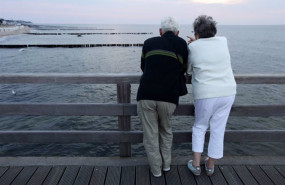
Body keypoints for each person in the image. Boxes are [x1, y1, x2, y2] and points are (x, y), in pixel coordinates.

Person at [137, 17, 188, 177]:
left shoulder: (148, 42)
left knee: (150, 134)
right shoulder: (182, 44)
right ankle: (166, 165)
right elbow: (184, 68)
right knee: (166, 130)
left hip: (146, 94)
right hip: (169, 97)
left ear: (160, 31)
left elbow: (143, 66)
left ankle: (156, 170)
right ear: (178, 33)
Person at [186, 15, 236, 176]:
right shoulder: (223, 41)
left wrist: (195, 44)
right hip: (228, 92)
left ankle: (195, 165)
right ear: (214, 31)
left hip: (206, 93)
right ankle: (210, 165)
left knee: (200, 127)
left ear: (196, 33)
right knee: (218, 129)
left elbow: (188, 70)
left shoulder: (193, 47)